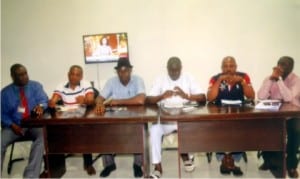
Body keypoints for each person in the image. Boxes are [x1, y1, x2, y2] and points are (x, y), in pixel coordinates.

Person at [146, 57, 206, 178]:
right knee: (154, 130)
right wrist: (161, 96)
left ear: (181, 68)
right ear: (167, 69)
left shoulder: (188, 77)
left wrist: (186, 96)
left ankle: (186, 155)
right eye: (171, 70)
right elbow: (148, 100)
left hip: (184, 118)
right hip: (166, 120)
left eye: (177, 70)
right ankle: (157, 166)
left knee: (191, 127)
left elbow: (203, 97)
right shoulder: (160, 79)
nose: (174, 73)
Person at [95, 58, 145, 177]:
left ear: (130, 70)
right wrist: (99, 104)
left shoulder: (138, 80)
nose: (123, 74)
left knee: (139, 131)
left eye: (125, 71)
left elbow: (141, 100)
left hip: (134, 118)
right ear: (117, 72)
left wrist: (117, 101)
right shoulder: (111, 81)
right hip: (115, 118)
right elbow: (100, 97)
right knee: (103, 131)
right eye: (120, 71)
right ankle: (109, 165)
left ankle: (137, 165)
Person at [207, 56, 255, 176]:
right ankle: (229, 161)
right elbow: (210, 97)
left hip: (239, 113)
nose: (228, 69)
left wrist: (242, 83)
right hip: (220, 114)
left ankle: (227, 160)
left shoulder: (244, 76)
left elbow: (251, 96)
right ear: (221, 68)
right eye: (225, 66)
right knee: (220, 128)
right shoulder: (215, 78)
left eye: (231, 66)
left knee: (239, 128)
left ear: (236, 66)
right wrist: (219, 81)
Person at [48, 65, 96, 176]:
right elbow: (54, 100)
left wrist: (84, 100)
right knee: (52, 134)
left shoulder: (86, 84)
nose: (74, 77)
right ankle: (54, 167)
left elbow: (91, 100)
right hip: (66, 117)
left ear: (81, 76)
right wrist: (52, 102)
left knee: (85, 132)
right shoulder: (61, 86)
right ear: (68, 74)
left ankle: (88, 164)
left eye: (77, 75)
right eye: (72, 74)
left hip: (83, 117)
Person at [1, 63, 48, 178]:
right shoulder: (5, 93)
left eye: (25, 73)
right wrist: (12, 125)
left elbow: (44, 100)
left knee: (43, 138)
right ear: (13, 76)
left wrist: (41, 107)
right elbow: (2, 114)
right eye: (20, 75)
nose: (24, 77)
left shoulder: (36, 86)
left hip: (34, 125)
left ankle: (31, 175)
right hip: (14, 126)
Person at [257, 56, 300, 178]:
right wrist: (271, 80)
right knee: (263, 129)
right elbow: (261, 96)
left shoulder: (296, 80)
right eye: (279, 64)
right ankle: (269, 161)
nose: (281, 66)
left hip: (292, 115)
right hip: (274, 114)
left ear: (291, 67)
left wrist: (279, 80)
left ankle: (291, 165)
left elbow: (289, 98)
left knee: (296, 131)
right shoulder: (270, 78)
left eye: (285, 64)